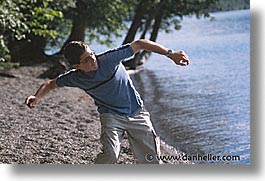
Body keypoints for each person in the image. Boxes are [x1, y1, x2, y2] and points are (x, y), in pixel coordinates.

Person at [25, 39, 190, 164]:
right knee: (110, 154)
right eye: (87, 60)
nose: (93, 60)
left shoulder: (109, 59)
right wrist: (36, 97)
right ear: (76, 66)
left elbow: (140, 44)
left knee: (152, 160)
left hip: (136, 112)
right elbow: (51, 84)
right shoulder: (75, 78)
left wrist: (170, 53)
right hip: (110, 115)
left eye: (92, 55)